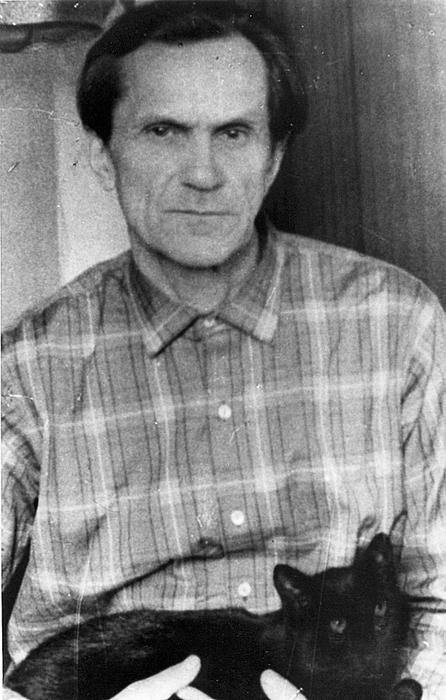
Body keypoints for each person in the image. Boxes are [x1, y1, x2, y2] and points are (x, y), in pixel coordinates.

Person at [2, 1, 445, 698]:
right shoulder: (27, 366)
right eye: (163, 132)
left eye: (234, 133)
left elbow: (441, 607)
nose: (203, 174)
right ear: (102, 156)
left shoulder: (399, 325)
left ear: (273, 159)